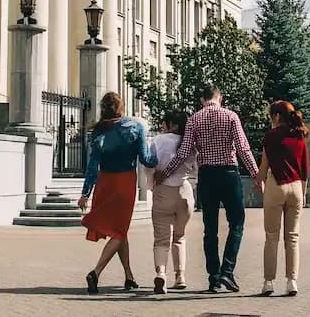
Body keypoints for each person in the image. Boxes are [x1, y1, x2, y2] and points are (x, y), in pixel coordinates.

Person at [156, 84, 258, 294]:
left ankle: (213, 277)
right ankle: (227, 271)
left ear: (203, 100)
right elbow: (242, 148)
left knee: (210, 228)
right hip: (229, 174)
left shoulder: (194, 119)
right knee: (236, 223)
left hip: (207, 176)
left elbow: (183, 152)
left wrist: (165, 172)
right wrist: (257, 175)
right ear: (219, 97)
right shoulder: (231, 116)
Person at [78, 92, 156, 295]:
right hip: (124, 183)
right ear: (122, 107)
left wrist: (85, 193)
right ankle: (95, 272)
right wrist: (162, 159)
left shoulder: (98, 131)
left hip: (105, 183)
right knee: (119, 231)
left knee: (120, 231)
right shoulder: (136, 127)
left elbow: (92, 166)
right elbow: (146, 159)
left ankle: (129, 276)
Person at [256, 100, 308, 298]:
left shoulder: (271, 136)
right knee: (292, 237)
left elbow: (264, 164)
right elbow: (305, 169)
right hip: (296, 187)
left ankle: (268, 282)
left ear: (277, 116)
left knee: (271, 237)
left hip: (275, 186)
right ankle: (291, 281)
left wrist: (259, 181)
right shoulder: (299, 136)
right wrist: (302, 193)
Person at [148, 112, 195, 294]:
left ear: (170, 124)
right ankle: (180, 276)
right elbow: (196, 168)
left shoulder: (158, 141)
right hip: (184, 191)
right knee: (179, 236)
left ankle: (161, 273)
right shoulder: (189, 143)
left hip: (163, 192)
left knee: (161, 239)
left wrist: (152, 182)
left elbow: (148, 165)